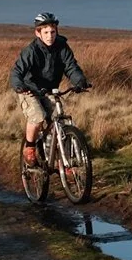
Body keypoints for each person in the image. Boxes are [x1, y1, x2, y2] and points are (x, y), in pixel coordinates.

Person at [10, 12, 89, 165]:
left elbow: (70, 66)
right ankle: (30, 148)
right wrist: (19, 86)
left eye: (52, 32)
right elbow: (17, 72)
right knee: (38, 116)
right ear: (38, 33)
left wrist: (79, 81)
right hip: (29, 90)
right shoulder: (31, 51)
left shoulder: (62, 46)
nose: (50, 36)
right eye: (46, 32)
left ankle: (62, 161)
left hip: (50, 89)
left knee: (60, 121)